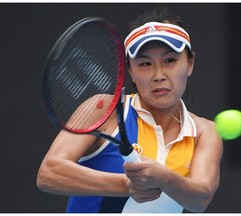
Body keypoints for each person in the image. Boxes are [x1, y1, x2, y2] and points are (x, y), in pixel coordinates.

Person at [37, 7, 223, 213]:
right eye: (145, 63)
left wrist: (162, 177)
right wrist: (125, 184)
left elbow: (200, 199)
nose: (158, 75)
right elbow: (49, 173)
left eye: (170, 60)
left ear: (190, 64)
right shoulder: (104, 109)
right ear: (131, 72)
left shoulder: (205, 132)